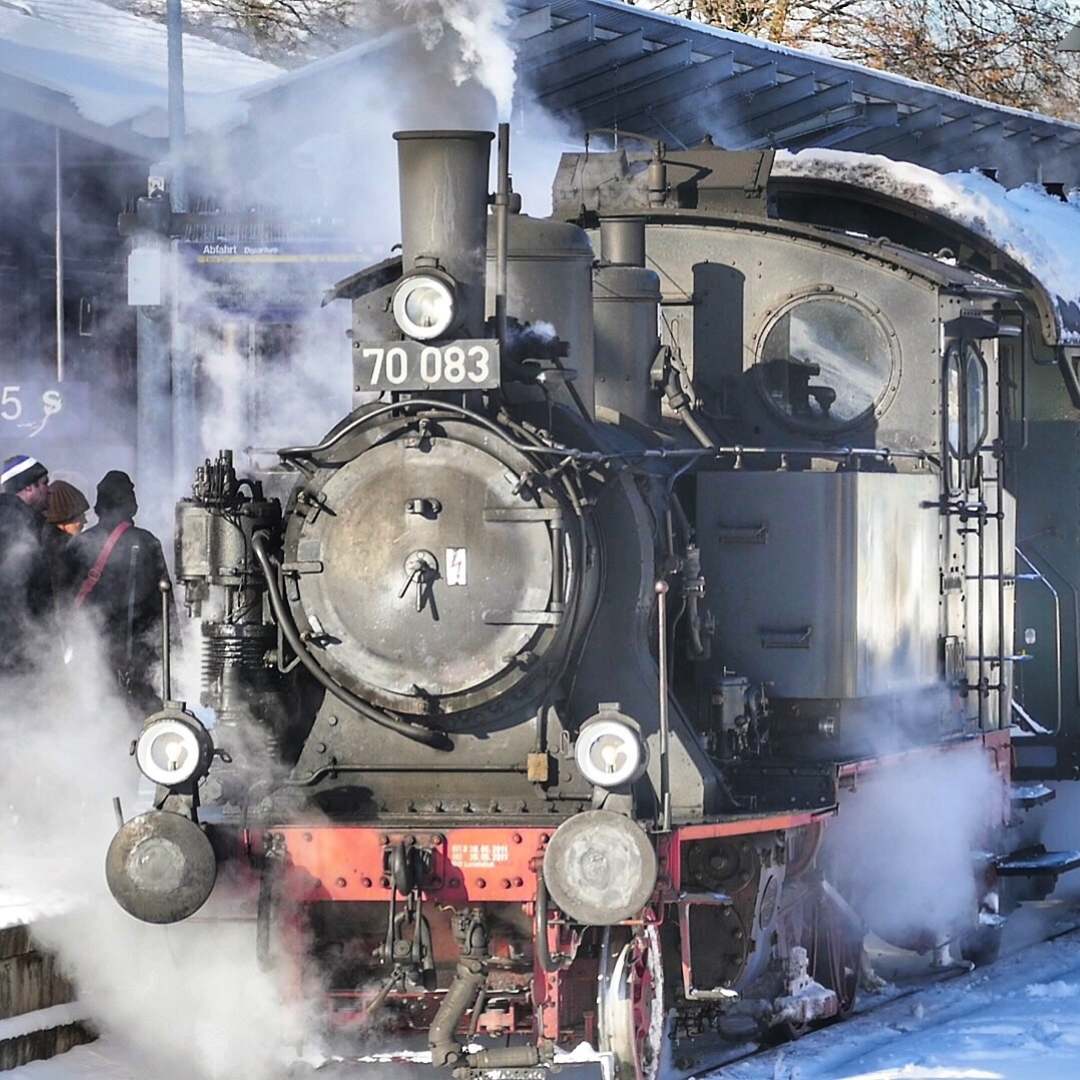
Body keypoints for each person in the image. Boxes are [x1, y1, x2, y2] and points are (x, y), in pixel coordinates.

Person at [60, 470, 175, 715]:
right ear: (129, 504)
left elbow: (63, 600)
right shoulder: (146, 542)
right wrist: (174, 653)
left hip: (90, 649)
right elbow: (164, 606)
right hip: (139, 655)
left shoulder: (79, 544)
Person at [0, 454, 53, 676]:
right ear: (28, 488)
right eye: (44, 484)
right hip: (16, 649)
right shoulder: (21, 525)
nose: (48, 491)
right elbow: (18, 590)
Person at [42, 479, 90, 597]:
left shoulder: (41, 544)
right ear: (62, 521)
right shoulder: (65, 555)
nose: (85, 521)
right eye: (79, 517)